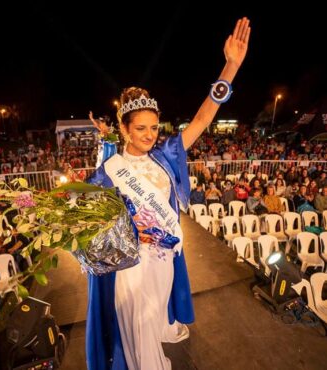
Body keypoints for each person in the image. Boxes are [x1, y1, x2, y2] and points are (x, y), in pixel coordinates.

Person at [86, 17, 250, 370]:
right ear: (125, 130)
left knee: (153, 321)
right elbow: (90, 234)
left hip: (162, 264)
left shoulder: (166, 155)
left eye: (154, 127)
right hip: (129, 268)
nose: (149, 134)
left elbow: (203, 119)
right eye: (140, 128)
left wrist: (230, 67)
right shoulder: (107, 173)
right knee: (138, 331)